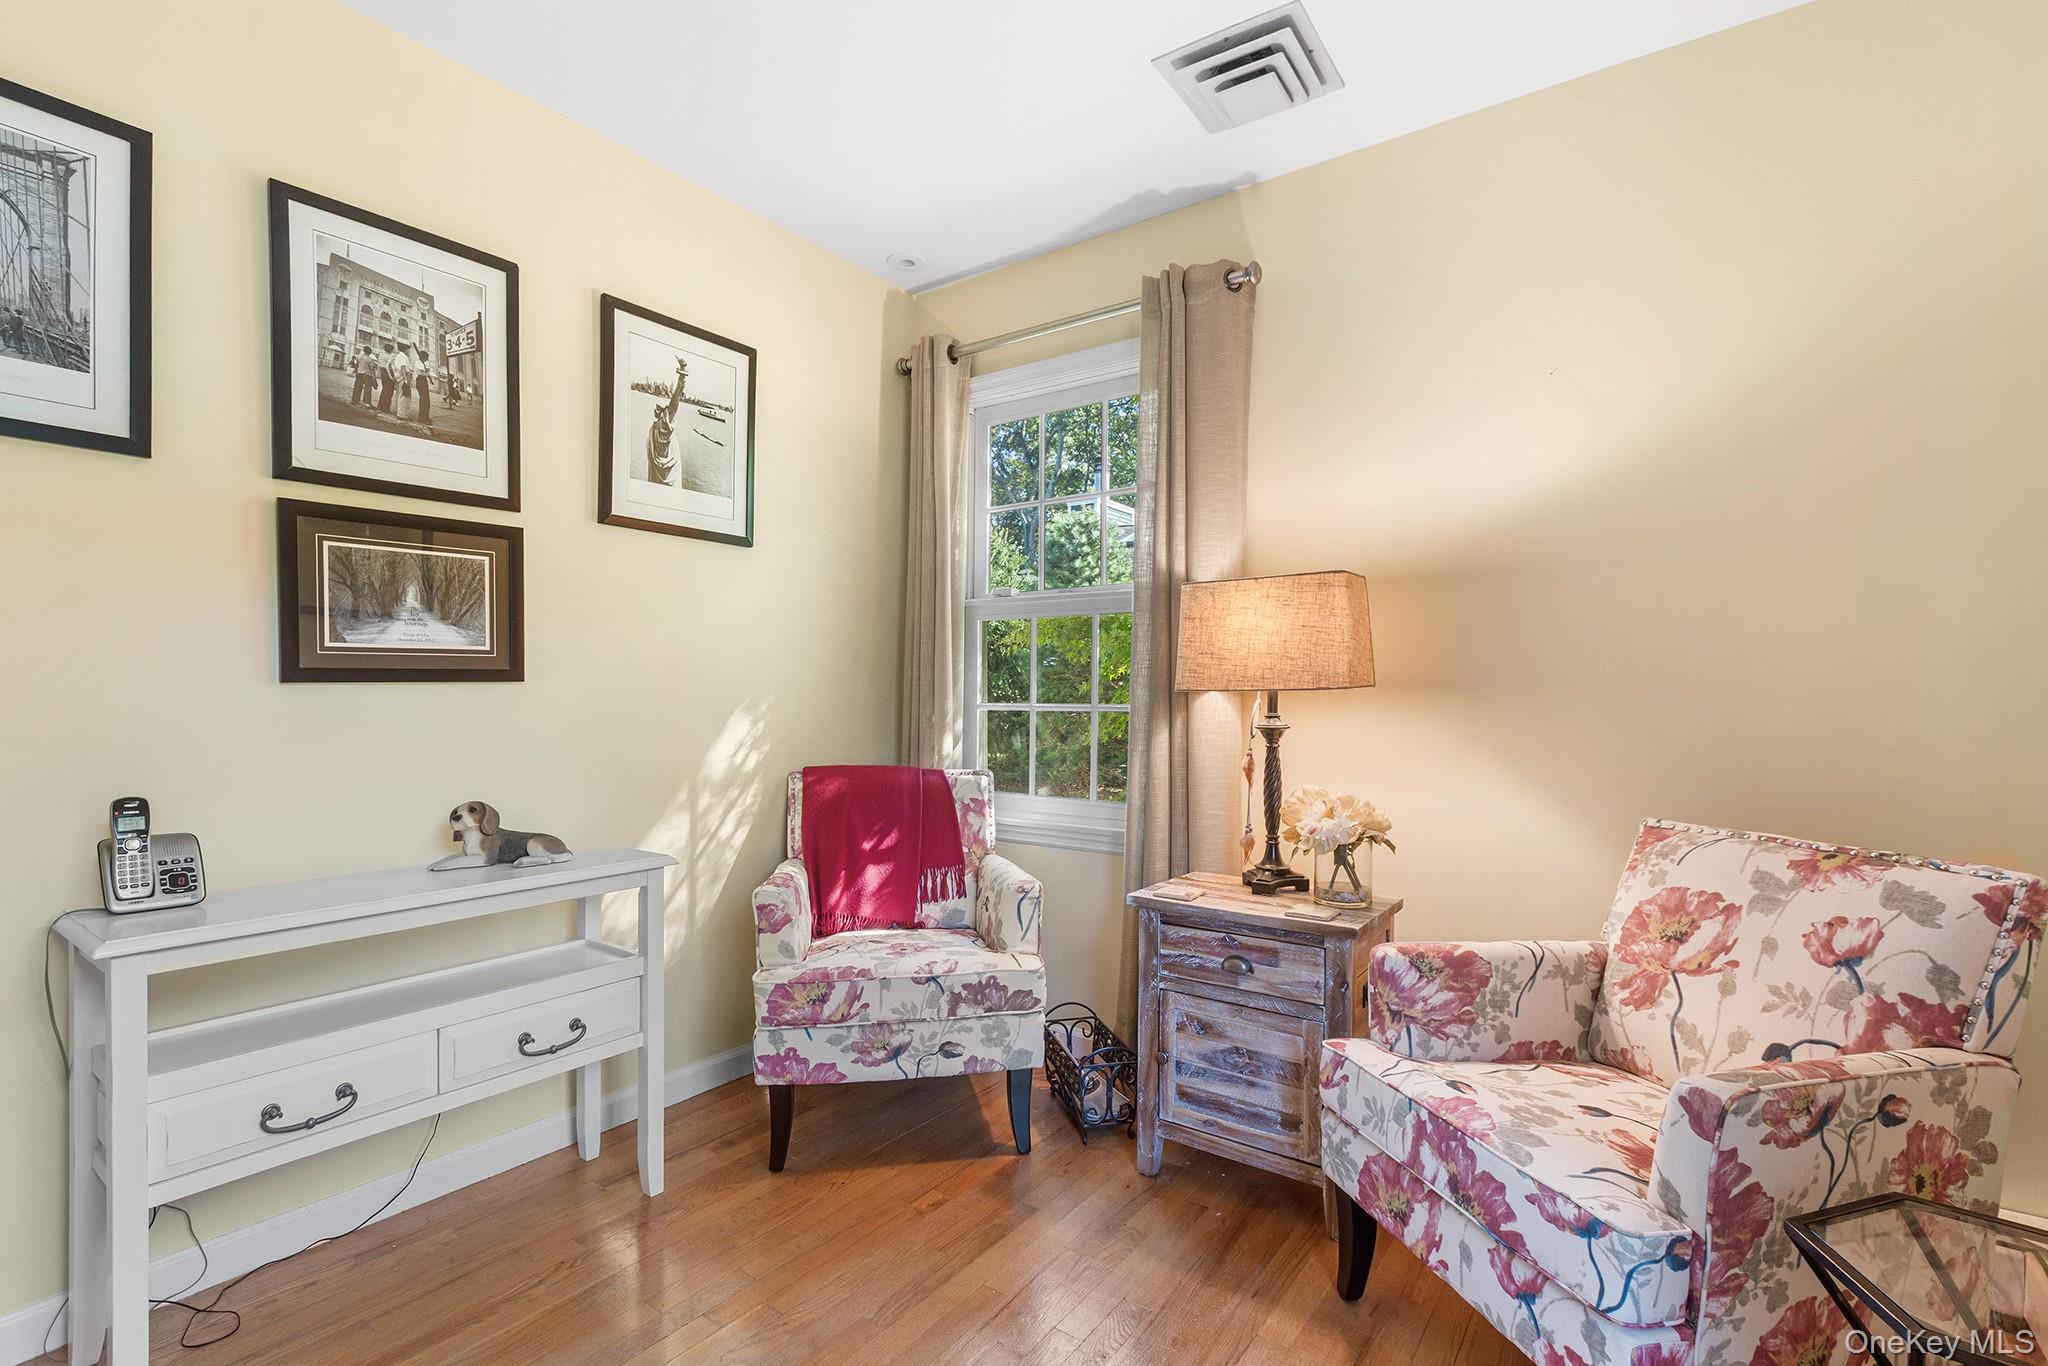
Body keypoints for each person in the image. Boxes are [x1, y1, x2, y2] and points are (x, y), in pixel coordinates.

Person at [377, 344, 397, 414]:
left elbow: (380, 365)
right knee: (389, 391)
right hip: (388, 372)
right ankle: (385, 408)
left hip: (383, 373)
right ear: (390, 350)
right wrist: (391, 376)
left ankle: (380, 405)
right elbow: (387, 367)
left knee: (384, 389)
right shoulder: (390, 356)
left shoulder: (381, 354)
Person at [415, 351, 433, 428]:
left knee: (426, 400)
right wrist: (428, 374)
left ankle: (425, 416)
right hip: (420, 380)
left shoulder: (423, 363)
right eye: (426, 358)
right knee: (424, 400)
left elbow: (426, 372)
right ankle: (421, 418)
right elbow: (419, 373)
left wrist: (430, 378)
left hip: (423, 380)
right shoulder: (419, 362)